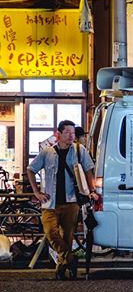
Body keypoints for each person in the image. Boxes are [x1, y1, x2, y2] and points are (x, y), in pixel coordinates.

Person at [26, 120, 99, 280]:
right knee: (50, 232)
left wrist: (91, 190)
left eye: (73, 133)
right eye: (67, 132)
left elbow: (88, 170)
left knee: (68, 236)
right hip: (49, 202)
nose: (71, 136)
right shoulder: (47, 153)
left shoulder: (80, 150)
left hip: (71, 201)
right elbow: (31, 169)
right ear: (58, 133)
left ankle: (61, 268)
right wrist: (37, 192)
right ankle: (71, 259)